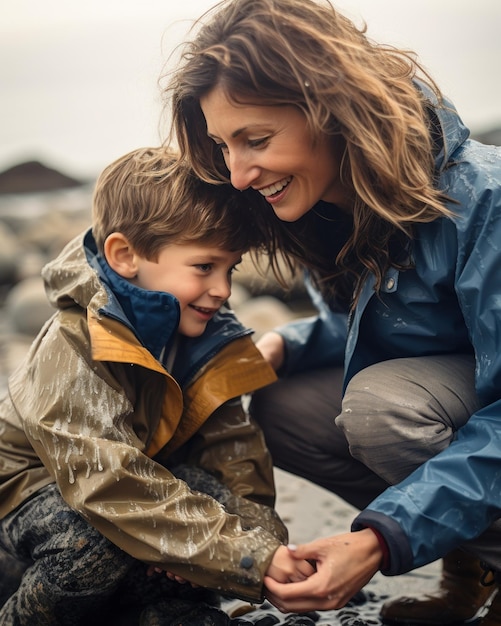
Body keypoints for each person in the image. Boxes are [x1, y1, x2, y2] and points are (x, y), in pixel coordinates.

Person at [164, 0, 501, 623]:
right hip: (448, 396)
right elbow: (382, 327)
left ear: (332, 110)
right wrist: (281, 347)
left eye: (256, 140)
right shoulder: (324, 213)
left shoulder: (483, 201)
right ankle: (476, 561)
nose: (237, 175)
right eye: (222, 146)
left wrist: (379, 538)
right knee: (278, 401)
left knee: (378, 407)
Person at [0, 146, 315, 626]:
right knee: (94, 544)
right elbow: (106, 479)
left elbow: (234, 451)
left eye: (231, 269)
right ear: (125, 256)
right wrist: (235, 554)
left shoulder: (209, 335)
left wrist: (260, 545)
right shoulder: (76, 340)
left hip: (140, 476)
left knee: (205, 515)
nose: (224, 289)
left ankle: (155, 608)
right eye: (204, 267)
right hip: (36, 488)